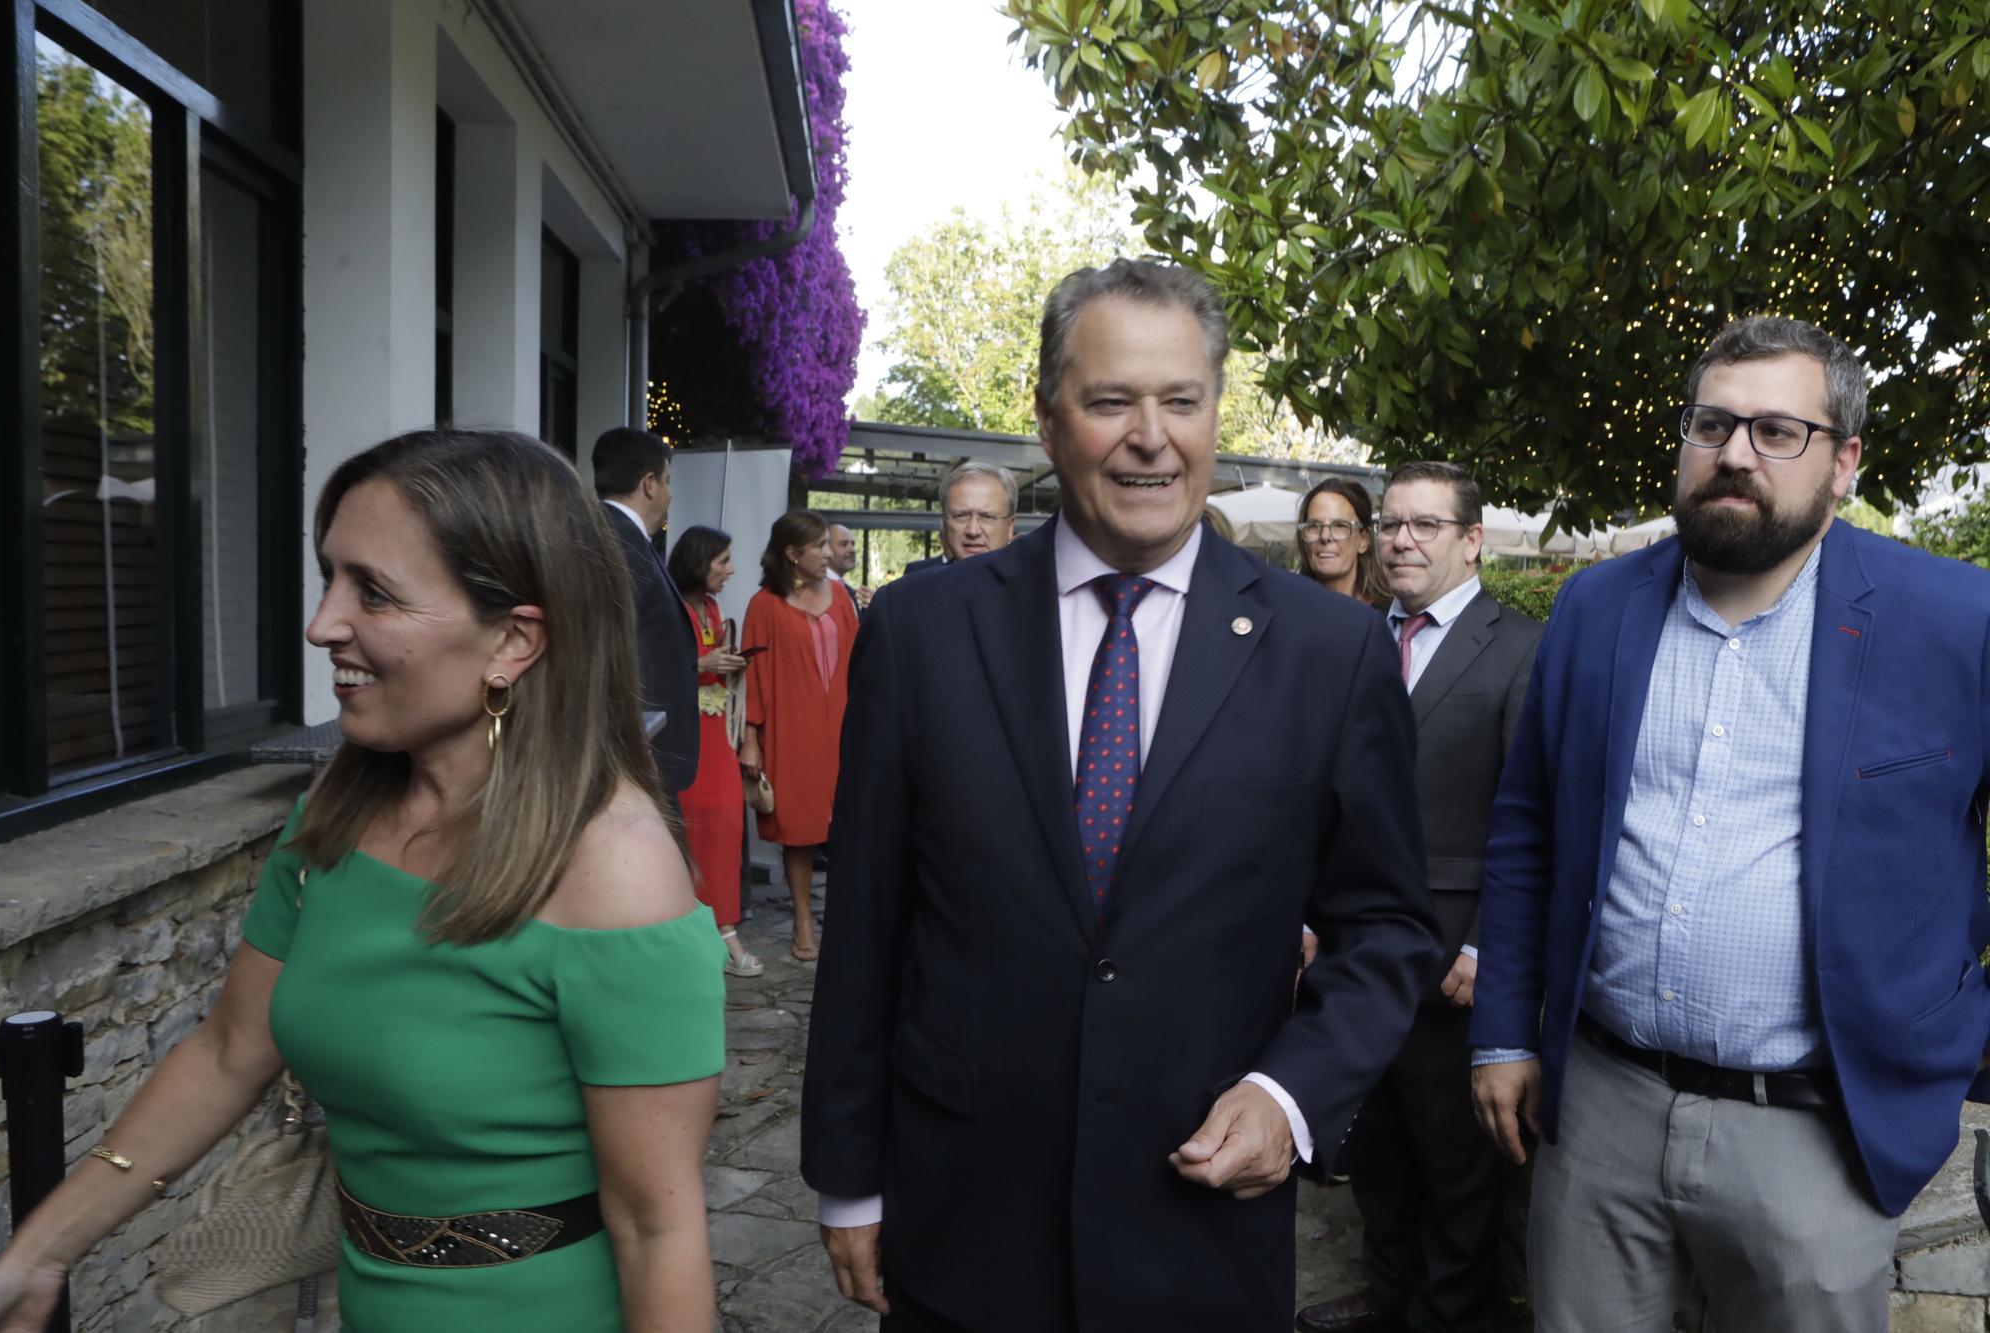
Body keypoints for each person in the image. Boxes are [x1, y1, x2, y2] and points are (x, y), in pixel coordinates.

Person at [801, 259, 1439, 1332]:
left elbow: (1384, 927)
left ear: (1211, 416)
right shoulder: (921, 633)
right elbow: (868, 922)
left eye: (1179, 401)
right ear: (1050, 422)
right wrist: (848, 1177)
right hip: (962, 1225)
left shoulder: (1326, 652)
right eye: (1110, 402)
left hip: (1197, 1236)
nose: (1150, 436)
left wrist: (1288, 1096)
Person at [0, 431, 726, 1333]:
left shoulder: (615, 870)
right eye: (329, 577)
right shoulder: (334, 812)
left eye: (373, 591)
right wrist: (40, 1256)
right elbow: (227, 1053)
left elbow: (659, 1229)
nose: (323, 622)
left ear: (513, 639)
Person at [1471, 316, 1990, 1332]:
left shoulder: (1952, 622)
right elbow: (1526, 822)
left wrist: (1955, 1033)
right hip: (1599, 1114)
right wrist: (1498, 1034)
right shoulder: (1593, 609)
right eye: (1711, 425)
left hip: (1818, 1132)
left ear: (1842, 462)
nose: (1734, 453)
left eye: (1775, 432)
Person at [1300, 461, 1541, 1333]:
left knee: (1457, 1174)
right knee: (1380, 1160)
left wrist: (1486, 946)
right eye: (1393, 523)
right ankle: (1387, 1300)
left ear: (1472, 540)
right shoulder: (1354, 639)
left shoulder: (1519, 648)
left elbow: (1529, 814)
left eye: (1425, 525)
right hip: (1355, 961)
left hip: (1452, 968)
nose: (1401, 539)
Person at [738, 510, 859, 964]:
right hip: (791, 728)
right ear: (793, 554)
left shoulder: (843, 599)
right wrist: (752, 738)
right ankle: (804, 920)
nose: (830, 553)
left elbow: (860, 662)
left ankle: (848, 919)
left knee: (850, 827)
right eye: (821, 546)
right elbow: (755, 677)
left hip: (844, 727)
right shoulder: (764, 605)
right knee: (799, 830)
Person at [669, 524, 763, 978]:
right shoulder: (669, 607)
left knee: (726, 826)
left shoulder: (711, 607)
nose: (731, 570)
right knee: (689, 831)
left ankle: (723, 928)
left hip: (715, 732)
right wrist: (701, 664)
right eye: (723, 561)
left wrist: (728, 664)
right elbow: (646, 667)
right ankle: (697, 930)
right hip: (682, 734)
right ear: (698, 561)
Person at [594, 427, 699, 795]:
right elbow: (606, 654)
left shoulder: (620, 537)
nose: (670, 495)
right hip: (639, 759)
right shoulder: (621, 543)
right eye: (668, 481)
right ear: (650, 483)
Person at [901, 460, 1019, 573]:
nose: (973, 531)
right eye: (960, 516)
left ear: (1010, 527)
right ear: (945, 524)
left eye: (987, 517)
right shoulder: (913, 591)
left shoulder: (1033, 590)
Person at [1298, 477, 1390, 606]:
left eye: (1340, 526)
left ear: (1364, 540)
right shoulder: (1284, 609)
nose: (1325, 536)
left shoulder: (1387, 618)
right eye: (1314, 526)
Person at [826, 522, 874, 615]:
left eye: (853, 544)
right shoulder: (818, 588)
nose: (852, 550)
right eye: (843, 544)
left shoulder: (850, 592)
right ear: (826, 549)